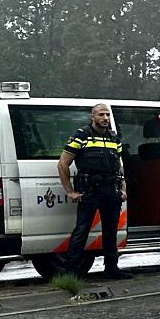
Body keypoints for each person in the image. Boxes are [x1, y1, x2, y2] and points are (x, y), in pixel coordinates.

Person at [57, 103, 133, 279]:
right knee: (81, 231)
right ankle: (72, 272)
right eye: (101, 115)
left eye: (107, 115)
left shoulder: (114, 138)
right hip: (90, 191)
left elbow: (119, 167)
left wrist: (123, 189)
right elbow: (63, 163)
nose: (105, 118)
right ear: (92, 117)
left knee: (111, 231)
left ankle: (112, 269)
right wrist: (70, 191)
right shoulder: (82, 136)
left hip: (111, 190)